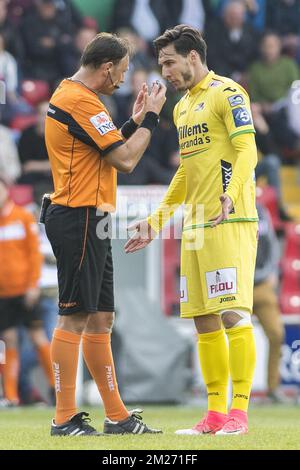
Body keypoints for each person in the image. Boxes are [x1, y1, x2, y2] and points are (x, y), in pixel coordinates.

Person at [125, 24, 258, 435]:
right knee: (203, 320)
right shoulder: (182, 108)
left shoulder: (228, 93)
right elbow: (185, 172)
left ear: (192, 57)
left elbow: (247, 148)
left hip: (229, 219)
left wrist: (231, 194)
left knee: (233, 314)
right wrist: (156, 221)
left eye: (169, 62)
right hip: (196, 227)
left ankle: (239, 412)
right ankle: (215, 413)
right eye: (161, 63)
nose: (164, 71)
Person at [44, 31, 166, 436]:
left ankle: (117, 417)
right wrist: (151, 118)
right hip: (77, 216)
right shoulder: (80, 100)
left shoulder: (76, 97)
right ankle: (63, 417)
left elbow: (103, 147)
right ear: (107, 66)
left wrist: (131, 121)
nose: (122, 80)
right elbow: (126, 160)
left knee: (100, 319)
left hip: (91, 218)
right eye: (122, 72)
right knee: (75, 316)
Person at [0, 176, 55, 407]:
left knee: (38, 336)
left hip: (26, 289)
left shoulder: (22, 217)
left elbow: (34, 254)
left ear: (7, 191)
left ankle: (57, 388)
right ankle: (11, 397)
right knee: (8, 340)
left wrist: (33, 284)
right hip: (4, 293)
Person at [253, 204, 286, 403]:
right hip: (237, 284)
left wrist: (273, 271)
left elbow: (272, 244)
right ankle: (227, 391)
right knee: (229, 336)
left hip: (262, 284)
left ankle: (273, 388)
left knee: (276, 333)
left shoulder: (262, 211)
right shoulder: (228, 208)